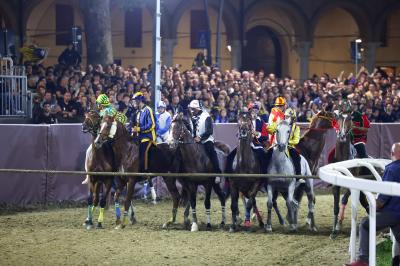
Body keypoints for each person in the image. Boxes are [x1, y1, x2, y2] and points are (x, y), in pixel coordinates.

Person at [345, 143, 400, 266]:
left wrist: (371, 206)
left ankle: (363, 260)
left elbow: (382, 200)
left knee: (365, 224)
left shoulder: (391, 169)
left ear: (392, 154)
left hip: (393, 214)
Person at [130, 91, 157, 203]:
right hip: (139, 137)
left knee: (142, 150)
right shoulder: (138, 112)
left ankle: (143, 171)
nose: (134, 103)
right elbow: (135, 126)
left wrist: (139, 129)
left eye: (135, 101)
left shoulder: (148, 110)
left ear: (140, 101)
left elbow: (152, 125)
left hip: (148, 137)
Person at [188, 99, 221, 173]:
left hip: (206, 139)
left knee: (211, 151)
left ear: (198, 108)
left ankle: (217, 172)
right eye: (191, 109)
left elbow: (209, 131)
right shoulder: (192, 118)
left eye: (193, 109)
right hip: (194, 140)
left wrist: (200, 138)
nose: (192, 111)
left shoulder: (206, 116)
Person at [284, 108, 302, 178]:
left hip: (289, 147)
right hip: (279, 145)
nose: (286, 118)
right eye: (285, 116)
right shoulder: (281, 125)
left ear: (293, 118)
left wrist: (288, 142)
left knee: (296, 156)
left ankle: (298, 176)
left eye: (288, 117)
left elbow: (296, 140)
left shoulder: (296, 128)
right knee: (269, 153)